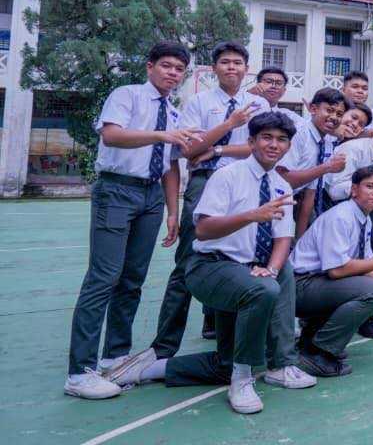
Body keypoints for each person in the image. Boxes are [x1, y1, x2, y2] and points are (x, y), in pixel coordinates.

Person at [106, 112, 316, 414]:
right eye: (266, 138)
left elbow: (283, 238)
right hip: (210, 267)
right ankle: (242, 381)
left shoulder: (281, 185)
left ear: (288, 146)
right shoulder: (227, 176)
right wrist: (251, 215)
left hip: (246, 269)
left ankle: (152, 369)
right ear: (251, 142)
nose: (274, 144)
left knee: (277, 275)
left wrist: (268, 268)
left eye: (281, 139)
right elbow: (203, 229)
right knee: (265, 291)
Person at [65, 42, 196, 400]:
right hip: (117, 190)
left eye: (179, 69)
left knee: (132, 278)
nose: (173, 73)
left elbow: (170, 164)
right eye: (166, 65)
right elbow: (112, 134)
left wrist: (173, 211)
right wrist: (160, 135)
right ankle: (79, 372)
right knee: (103, 276)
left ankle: (115, 355)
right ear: (150, 66)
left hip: (152, 196)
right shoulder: (127, 95)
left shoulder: (172, 111)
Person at [153, 41, 268, 349]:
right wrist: (229, 124)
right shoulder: (199, 103)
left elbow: (264, 148)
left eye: (238, 62)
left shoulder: (260, 106)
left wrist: (216, 147)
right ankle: (164, 345)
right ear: (214, 68)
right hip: (205, 181)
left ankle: (225, 334)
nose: (232, 67)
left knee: (241, 255)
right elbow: (189, 149)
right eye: (225, 62)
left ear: (247, 69)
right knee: (189, 258)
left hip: (246, 183)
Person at [292, 167, 373, 376]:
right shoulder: (341, 217)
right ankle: (320, 352)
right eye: (370, 186)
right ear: (354, 189)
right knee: (371, 291)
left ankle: (310, 341)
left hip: (314, 283)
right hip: (299, 285)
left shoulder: (364, 217)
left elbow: (363, 261)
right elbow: (337, 271)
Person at [275, 87, 348, 237]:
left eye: (339, 114)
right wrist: (326, 167)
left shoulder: (326, 140)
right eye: (329, 110)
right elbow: (283, 179)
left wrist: (300, 238)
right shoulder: (298, 133)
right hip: (273, 200)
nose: (334, 117)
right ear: (313, 109)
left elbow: (309, 194)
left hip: (294, 201)